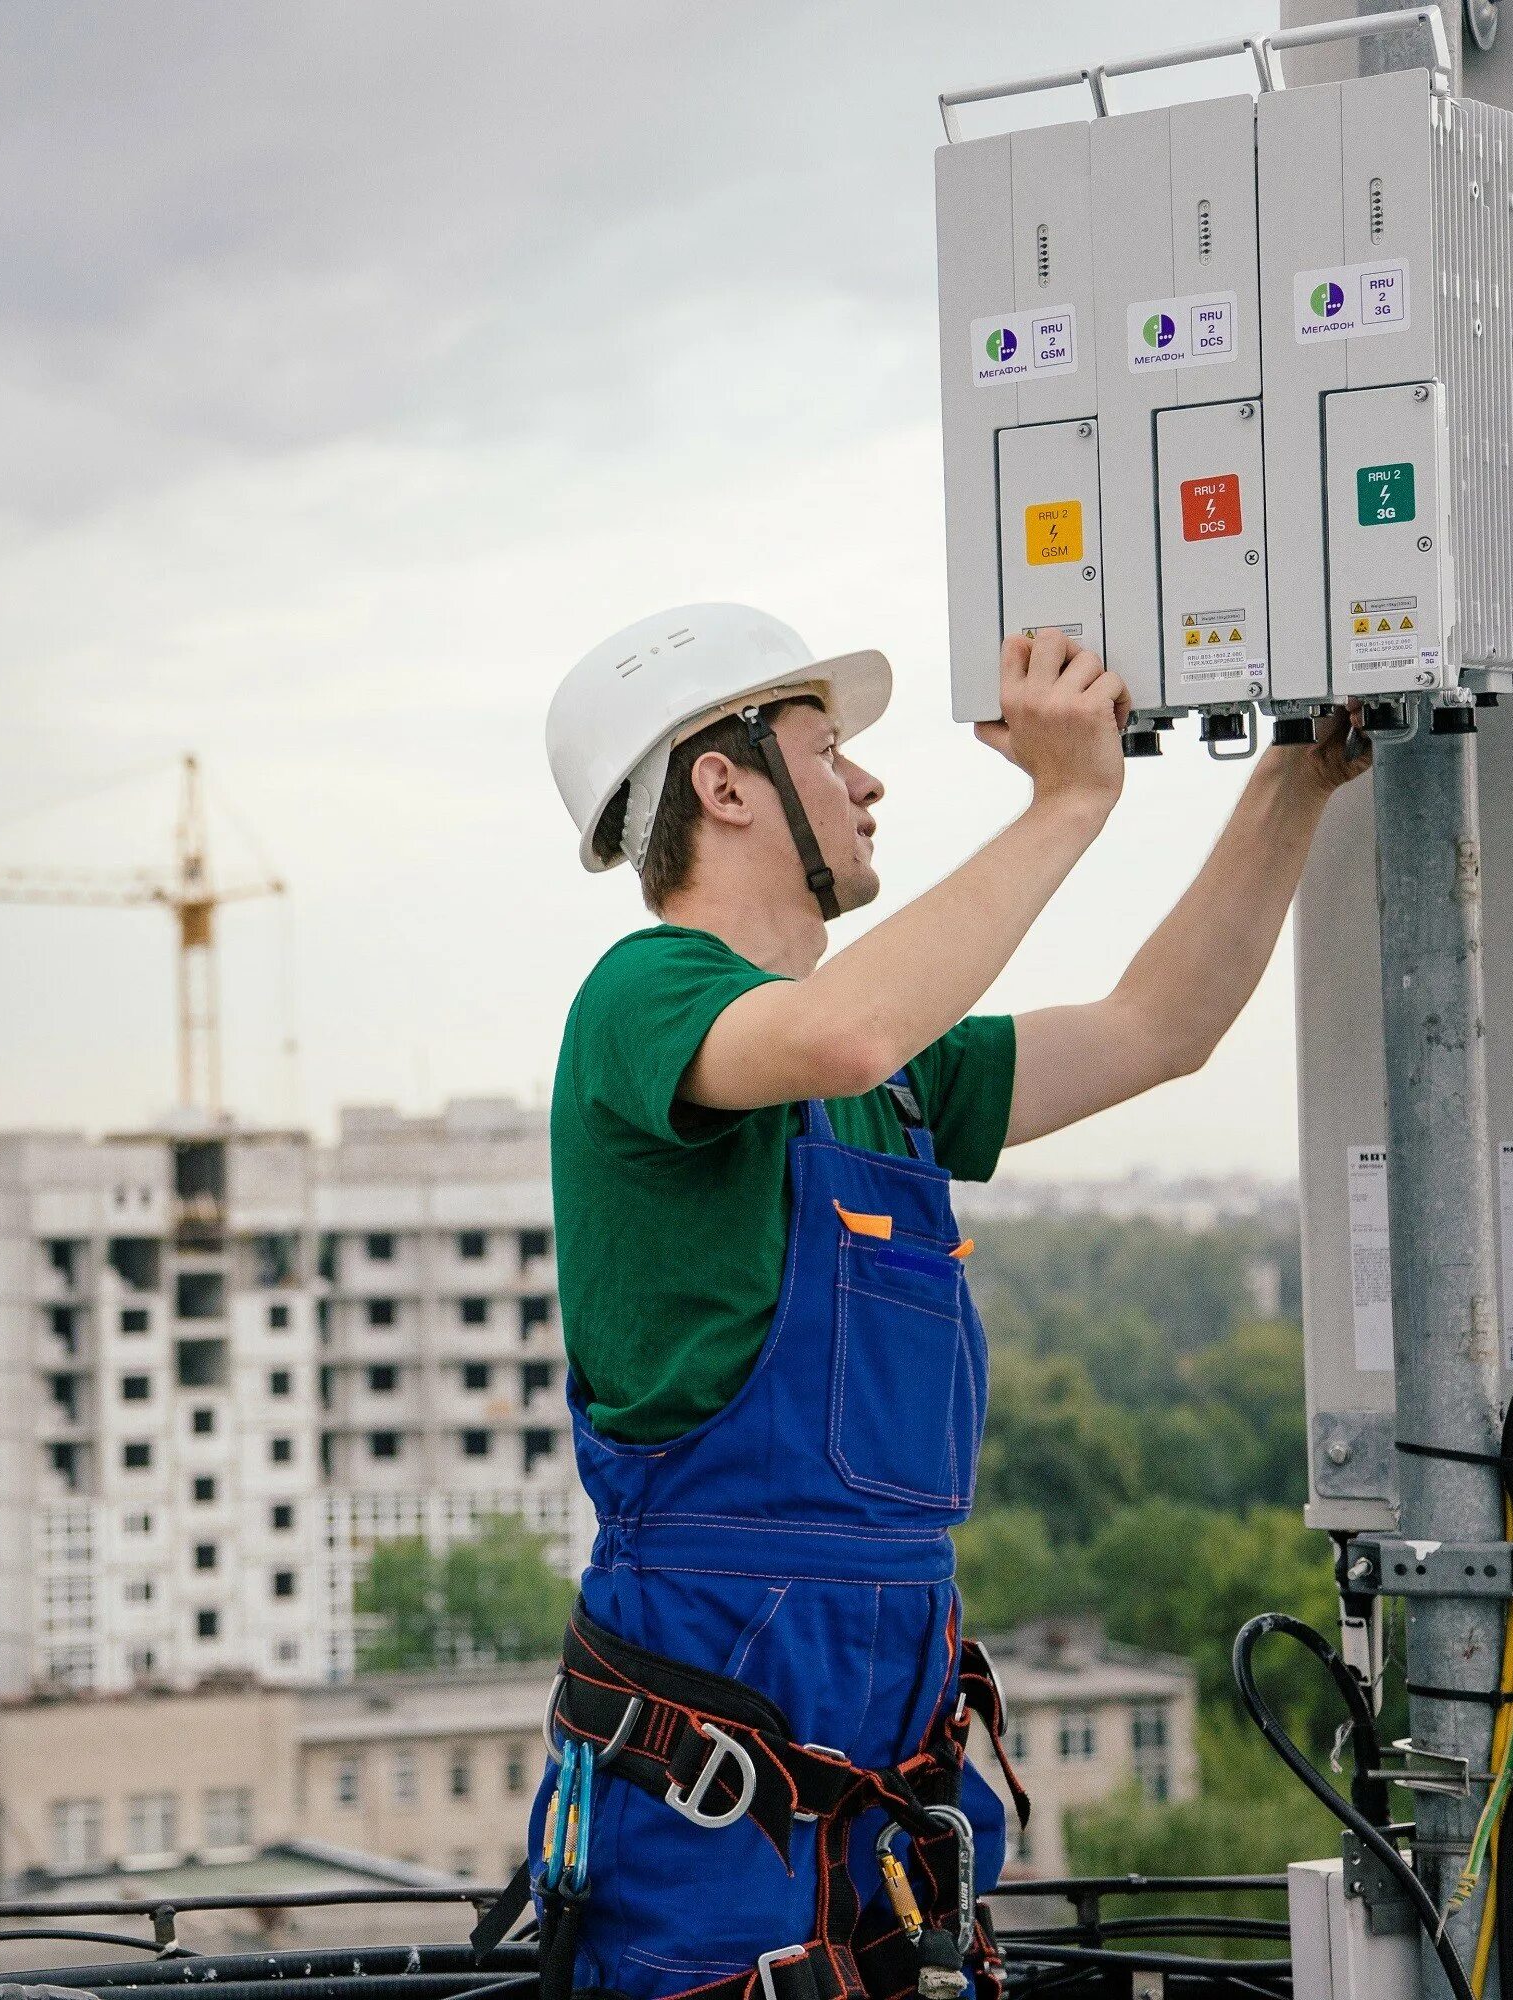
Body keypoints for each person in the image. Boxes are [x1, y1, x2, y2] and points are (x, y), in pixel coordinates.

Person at [500, 604, 1369, 2000]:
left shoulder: (894, 1081)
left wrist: (1295, 780)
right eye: (828, 750)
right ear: (722, 785)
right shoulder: (645, 996)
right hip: (721, 1763)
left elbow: (1165, 1027)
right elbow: (844, 1022)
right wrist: (1072, 799)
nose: (866, 783)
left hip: (887, 1753)